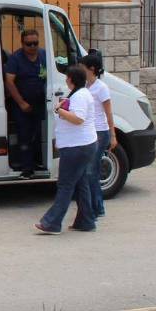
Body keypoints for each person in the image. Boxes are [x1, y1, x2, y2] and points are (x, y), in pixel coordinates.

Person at [36, 65, 97, 234]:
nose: (65, 80)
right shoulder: (79, 94)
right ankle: (86, 220)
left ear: (72, 79)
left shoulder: (81, 96)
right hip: (78, 145)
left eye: (67, 77)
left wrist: (59, 110)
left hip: (77, 147)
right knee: (80, 183)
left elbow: (78, 119)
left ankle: (52, 222)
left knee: (66, 184)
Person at [4, 28, 47, 179]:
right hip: (21, 104)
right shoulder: (16, 58)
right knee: (25, 136)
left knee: (39, 135)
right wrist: (21, 103)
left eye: (35, 43)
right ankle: (27, 169)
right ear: (22, 44)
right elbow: (9, 82)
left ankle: (38, 163)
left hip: (41, 104)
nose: (33, 47)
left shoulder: (43, 55)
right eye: (29, 44)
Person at [80, 53, 114, 218]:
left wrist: (112, 135)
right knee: (89, 171)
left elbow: (109, 113)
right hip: (91, 133)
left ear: (92, 69)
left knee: (91, 171)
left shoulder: (101, 88)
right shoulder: (86, 87)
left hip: (100, 132)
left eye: (83, 67)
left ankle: (97, 207)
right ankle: (96, 206)